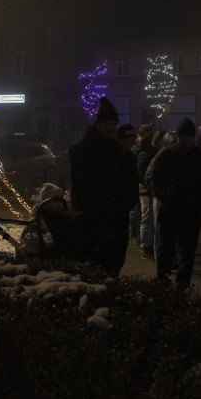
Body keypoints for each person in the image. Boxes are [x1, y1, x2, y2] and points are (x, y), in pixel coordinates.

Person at [68, 97, 138, 276]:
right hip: (94, 219)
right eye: (108, 123)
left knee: (113, 263)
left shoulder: (114, 148)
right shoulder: (84, 148)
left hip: (116, 217)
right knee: (95, 265)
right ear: (98, 123)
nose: (112, 128)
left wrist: (126, 203)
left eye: (115, 124)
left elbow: (125, 180)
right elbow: (82, 187)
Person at [145, 117, 201, 290]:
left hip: (190, 210)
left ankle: (181, 283)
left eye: (188, 137)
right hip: (170, 208)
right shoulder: (167, 155)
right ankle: (163, 278)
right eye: (183, 136)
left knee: (187, 250)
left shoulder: (200, 157)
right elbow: (153, 179)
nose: (185, 140)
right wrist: (163, 194)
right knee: (166, 247)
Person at [135, 124, 158, 260]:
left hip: (147, 188)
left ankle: (145, 243)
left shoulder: (144, 151)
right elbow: (140, 172)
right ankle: (145, 246)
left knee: (146, 217)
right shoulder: (145, 152)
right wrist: (148, 184)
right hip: (145, 189)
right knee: (146, 217)